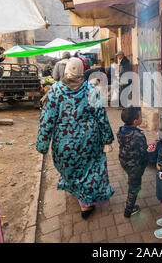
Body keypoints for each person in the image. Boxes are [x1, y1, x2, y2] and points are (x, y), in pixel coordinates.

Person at [36, 58, 115, 219]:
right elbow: (100, 115)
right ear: (82, 70)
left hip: (64, 143)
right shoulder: (91, 89)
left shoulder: (55, 90)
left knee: (72, 169)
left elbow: (47, 119)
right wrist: (107, 139)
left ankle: (82, 200)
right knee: (89, 169)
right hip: (89, 140)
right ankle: (86, 201)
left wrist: (42, 145)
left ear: (66, 70)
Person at [117, 106, 149, 218]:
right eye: (140, 116)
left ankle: (129, 206)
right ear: (135, 121)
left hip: (124, 161)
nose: (142, 117)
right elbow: (144, 152)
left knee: (132, 182)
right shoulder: (139, 136)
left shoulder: (121, 130)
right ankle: (128, 210)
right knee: (134, 187)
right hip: (134, 165)